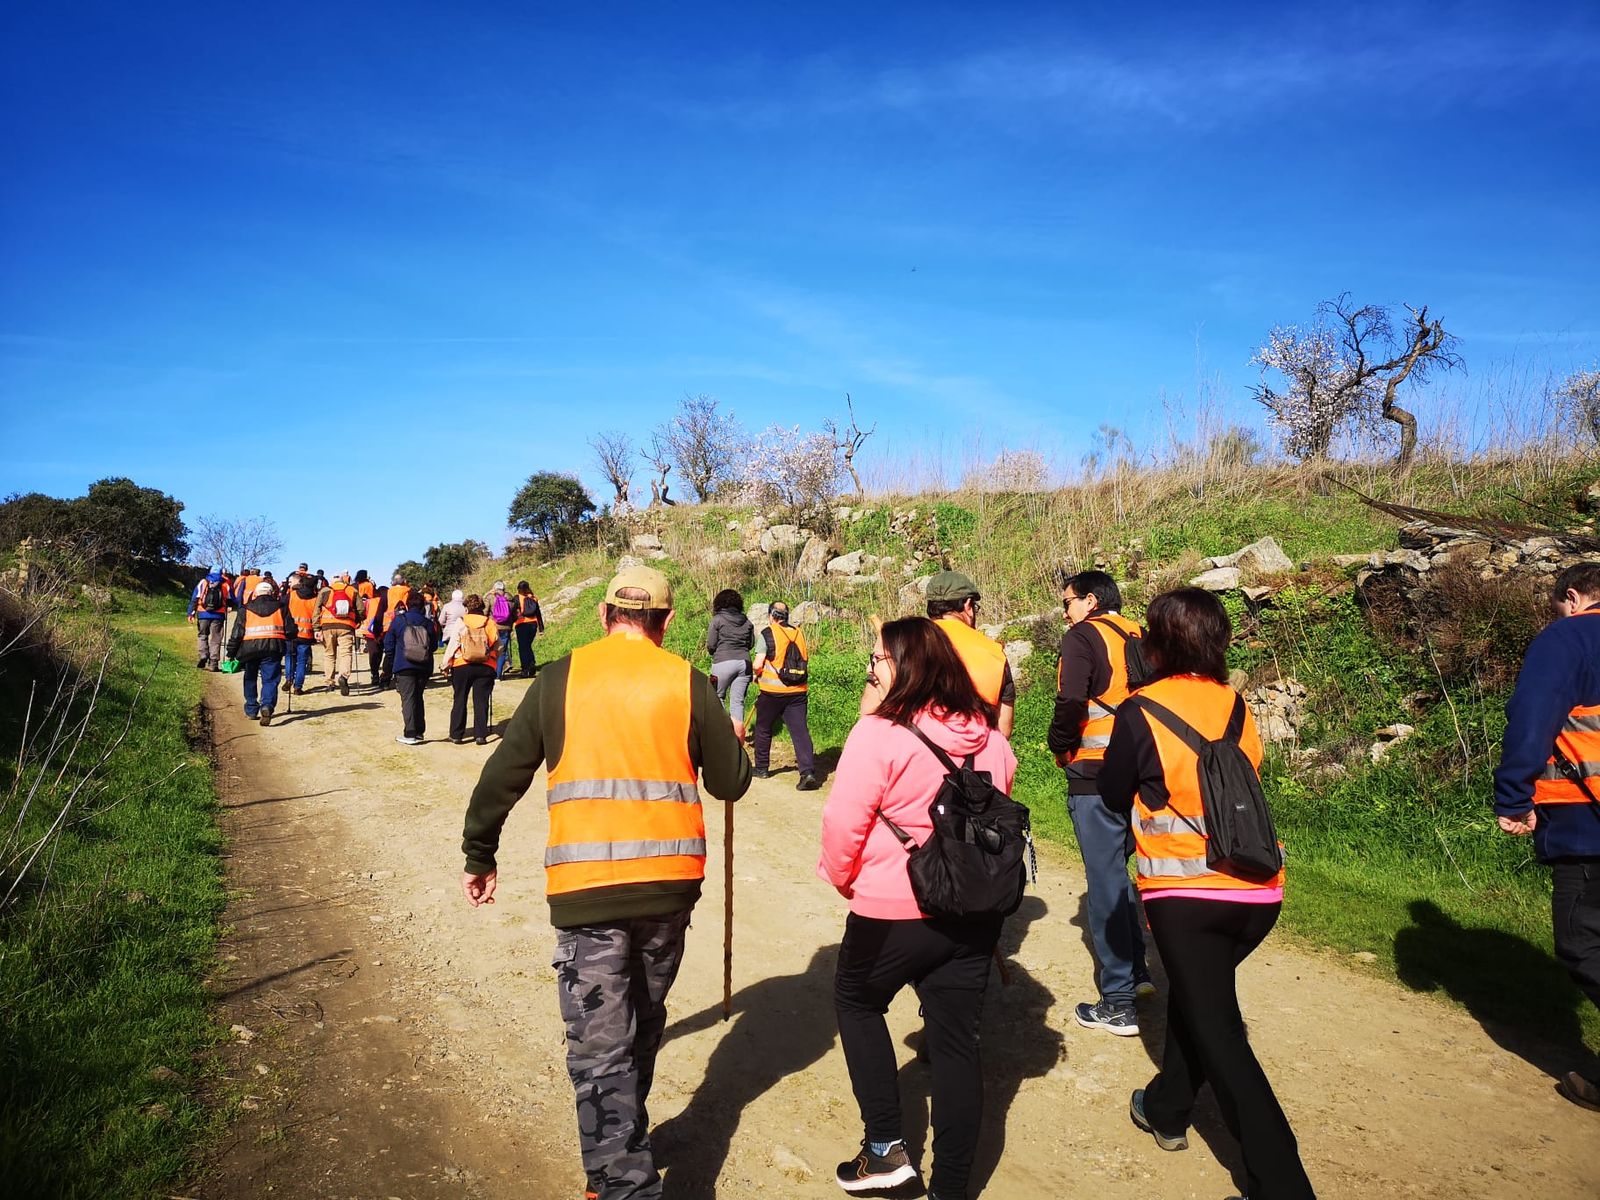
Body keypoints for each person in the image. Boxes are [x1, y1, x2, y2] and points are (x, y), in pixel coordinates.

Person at [459, 565, 751, 1200]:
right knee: (642, 1021)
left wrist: (479, 852)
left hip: (585, 892)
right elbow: (730, 783)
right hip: (670, 890)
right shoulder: (687, 681)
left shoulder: (560, 678)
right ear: (667, 622)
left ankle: (619, 1180)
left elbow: (503, 773)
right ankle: (623, 1143)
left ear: (603, 614)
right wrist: (735, 743)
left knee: (600, 1041)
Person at [1098, 587, 1313, 1200]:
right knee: (1200, 1000)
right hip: (1258, 893)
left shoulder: (1141, 709)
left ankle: (1283, 1184)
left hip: (1186, 896)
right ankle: (1167, 1108)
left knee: (1223, 1035)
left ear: (1159, 641)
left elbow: (1114, 794)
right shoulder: (1238, 706)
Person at [818, 616, 1017, 1200]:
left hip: (893, 909)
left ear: (906, 667)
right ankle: (951, 1189)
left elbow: (842, 822)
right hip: (973, 913)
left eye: (878, 659)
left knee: (856, 1002)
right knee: (957, 1046)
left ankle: (884, 1148)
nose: (872, 669)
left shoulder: (878, 735)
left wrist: (841, 878)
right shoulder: (992, 740)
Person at [1493, 561, 1600, 1112]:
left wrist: (1514, 796)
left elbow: (1532, 719)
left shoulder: (1569, 639)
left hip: (1588, 826)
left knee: (1584, 944)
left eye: (1559, 605)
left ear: (1575, 596)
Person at [1047, 569, 1153, 1034]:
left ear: (1089, 600)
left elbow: (1071, 700)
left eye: (1066, 602)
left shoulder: (1082, 637)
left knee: (1105, 879)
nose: (1064, 611)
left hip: (1094, 770)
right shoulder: (1141, 635)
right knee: (1121, 871)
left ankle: (1119, 1000)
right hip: (1145, 770)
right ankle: (1139, 973)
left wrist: (1058, 743)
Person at [922, 570, 1016, 737]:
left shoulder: (906, 645)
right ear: (968, 605)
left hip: (919, 755)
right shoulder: (994, 653)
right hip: (976, 757)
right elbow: (1003, 730)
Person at [751, 600, 819, 790]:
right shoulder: (798, 633)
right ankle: (807, 772)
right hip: (798, 691)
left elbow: (758, 663)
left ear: (771, 615)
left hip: (772, 692)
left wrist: (756, 675)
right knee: (800, 732)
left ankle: (762, 768)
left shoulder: (768, 633)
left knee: (763, 728)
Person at [225, 579, 298, 726]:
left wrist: (230, 652)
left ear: (255, 594)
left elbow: (237, 633)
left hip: (249, 649)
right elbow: (290, 631)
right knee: (270, 679)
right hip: (273, 649)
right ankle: (267, 706)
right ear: (271, 593)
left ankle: (252, 709)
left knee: (250, 678)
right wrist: (292, 633)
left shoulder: (245, 609)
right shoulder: (281, 607)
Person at [444, 593, 499, 744]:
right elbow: (498, 645)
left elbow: (453, 644)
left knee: (460, 698)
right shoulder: (490, 622)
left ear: (466, 607)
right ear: (482, 607)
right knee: (481, 700)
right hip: (485, 666)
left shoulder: (461, 621)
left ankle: (456, 735)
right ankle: (480, 735)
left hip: (462, 664)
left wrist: (446, 664)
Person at [383, 589, 436, 745]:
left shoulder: (399, 620)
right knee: (418, 697)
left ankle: (410, 733)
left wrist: (391, 662)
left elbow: (389, 643)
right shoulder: (428, 623)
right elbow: (432, 646)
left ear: (407, 605)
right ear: (422, 607)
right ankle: (419, 731)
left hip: (404, 665)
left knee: (408, 699)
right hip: (423, 665)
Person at [705, 588, 754, 741]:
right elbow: (751, 644)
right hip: (744, 664)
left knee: (717, 697)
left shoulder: (717, 620)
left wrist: (717, 651)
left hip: (723, 662)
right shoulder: (747, 621)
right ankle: (738, 739)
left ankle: (721, 736)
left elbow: (711, 645)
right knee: (737, 702)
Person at [317, 571, 360, 696]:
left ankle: (329, 683)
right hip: (346, 626)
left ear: (332, 581)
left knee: (329, 655)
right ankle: (344, 677)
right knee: (346, 654)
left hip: (327, 626)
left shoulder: (324, 591)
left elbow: (317, 609)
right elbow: (361, 609)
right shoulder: (352, 590)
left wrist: (316, 628)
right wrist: (356, 621)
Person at [186, 565, 232, 670]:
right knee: (216, 639)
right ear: (221, 573)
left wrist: (191, 613)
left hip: (203, 613)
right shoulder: (225, 584)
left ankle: (203, 655)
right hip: (218, 615)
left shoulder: (203, 582)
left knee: (202, 635)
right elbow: (231, 599)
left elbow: (195, 598)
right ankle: (213, 663)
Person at [285, 570, 321, 694]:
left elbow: (284, 610)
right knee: (302, 661)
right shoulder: (316, 599)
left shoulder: (292, 594)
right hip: (307, 634)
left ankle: (289, 678)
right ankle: (298, 687)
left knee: (289, 656)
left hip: (291, 632)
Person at [513, 580, 546, 677]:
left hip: (521, 624)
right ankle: (531, 664)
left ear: (519, 589)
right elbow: (538, 614)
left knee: (523, 648)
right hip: (533, 625)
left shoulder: (517, 598)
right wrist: (541, 628)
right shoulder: (533, 598)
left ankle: (525, 669)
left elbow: (513, 611)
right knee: (528, 645)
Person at [360, 583, 387, 689]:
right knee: (381, 654)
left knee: (374, 654)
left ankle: (376, 674)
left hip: (373, 632)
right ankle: (378, 674)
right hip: (379, 632)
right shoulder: (372, 602)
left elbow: (363, 614)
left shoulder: (369, 602)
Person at [489, 581, 515, 680]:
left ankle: (492, 671)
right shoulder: (510, 599)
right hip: (506, 628)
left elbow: (485, 610)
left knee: (493, 649)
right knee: (502, 651)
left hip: (494, 627)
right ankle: (498, 675)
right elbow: (514, 615)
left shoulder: (491, 597)